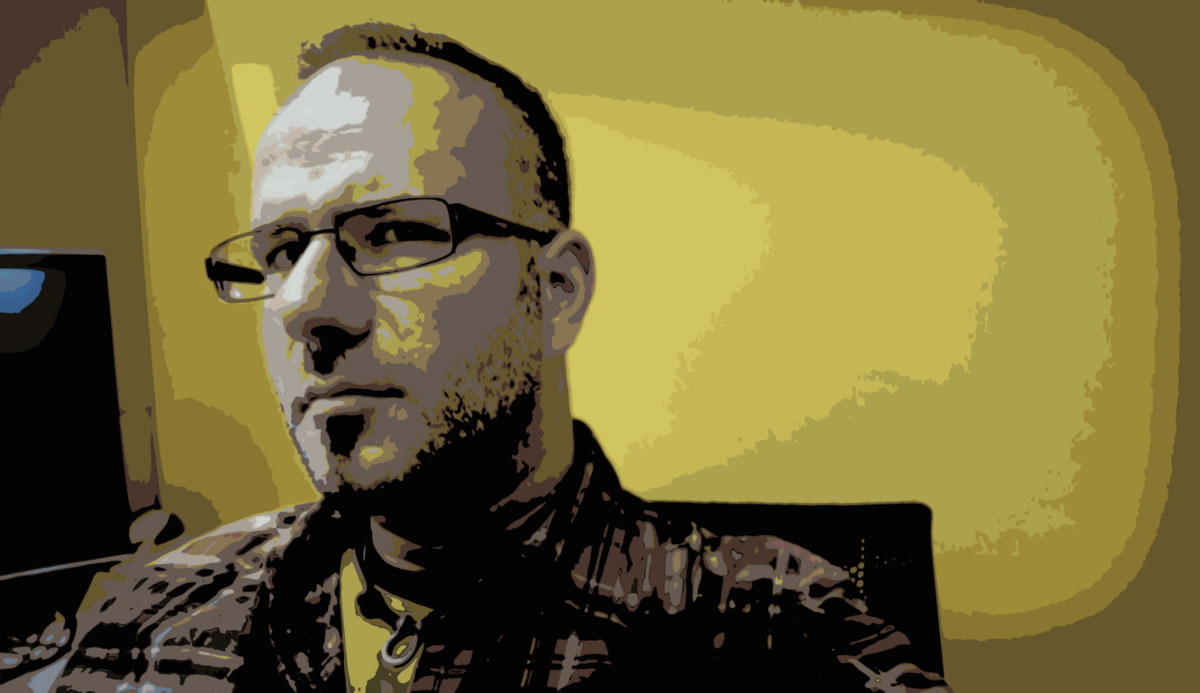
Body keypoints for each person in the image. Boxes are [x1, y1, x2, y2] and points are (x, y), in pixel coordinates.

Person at [50, 23, 953, 691]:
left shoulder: (771, 635)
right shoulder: (155, 611)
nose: (305, 306)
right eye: (282, 250)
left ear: (556, 290)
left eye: (395, 231)